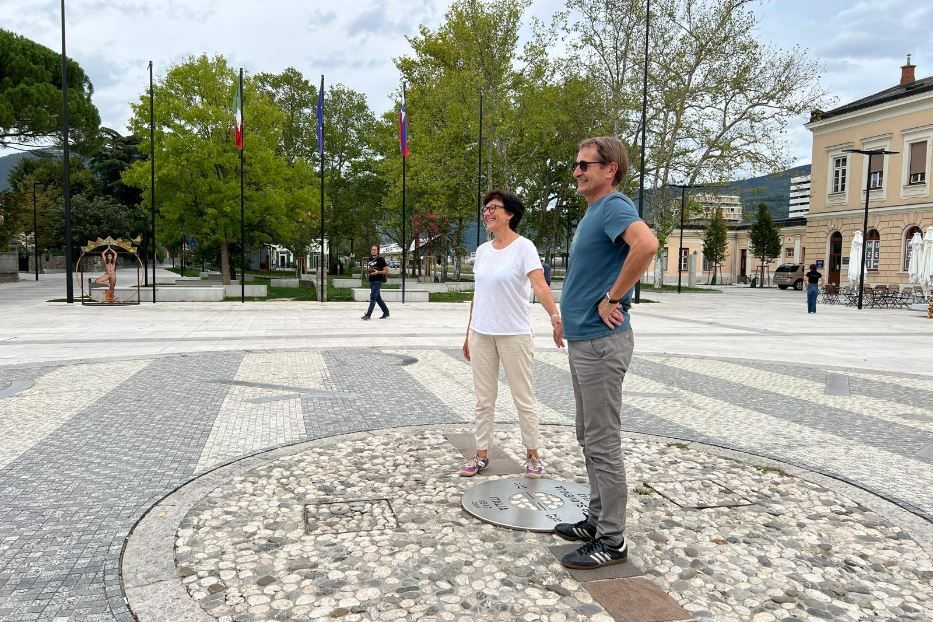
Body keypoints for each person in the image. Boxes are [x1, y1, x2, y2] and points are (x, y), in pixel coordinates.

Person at [552, 136, 658, 570]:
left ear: (609, 168)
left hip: (600, 341)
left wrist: (614, 297)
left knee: (602, 441)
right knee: (587, 435)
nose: (577, 171)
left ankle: (612, 540)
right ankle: (596, 519)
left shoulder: (614, 206)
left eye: (584, 164)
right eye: (575, 164)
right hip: (585, 340)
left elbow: (646, 245)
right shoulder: (595, 212)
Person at [460, 189, 564, 479]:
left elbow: (540, 286)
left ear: (511, 214)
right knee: (484, 398)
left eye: (494, 207)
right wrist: (468, 333)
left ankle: (532, 455)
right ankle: (481, 454)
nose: (488, 212)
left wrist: (555, 316)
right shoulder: (482, 251)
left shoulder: (524, 248)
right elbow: (478, 295)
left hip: (514, 334)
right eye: (486, 208)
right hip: (482, 334)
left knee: (523, 397)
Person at [361, 245, 390, 320]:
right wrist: (367, 269)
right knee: (378, 298)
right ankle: (386, 312)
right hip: (371, 280)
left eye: (374, 250)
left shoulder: (381, 259)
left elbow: (386, 271)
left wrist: (377, 272)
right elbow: (370, 269)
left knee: (373, 296)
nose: (373, 251)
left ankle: (368, 315)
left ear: (378, 251)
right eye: (372, 249)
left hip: (378, 280)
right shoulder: (370, 259)